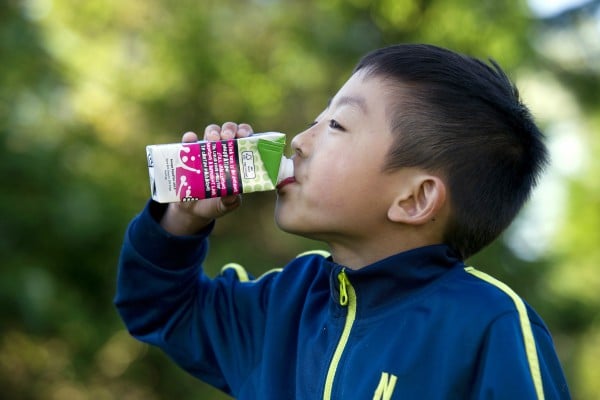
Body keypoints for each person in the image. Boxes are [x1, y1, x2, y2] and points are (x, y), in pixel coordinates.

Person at [115, 44, 571, 399]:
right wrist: (181, 218)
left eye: (336, 126)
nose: (299, 141)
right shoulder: (287, 306)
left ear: (414, 199)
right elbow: (161, 308)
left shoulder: (488, 325)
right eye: (318, 119)